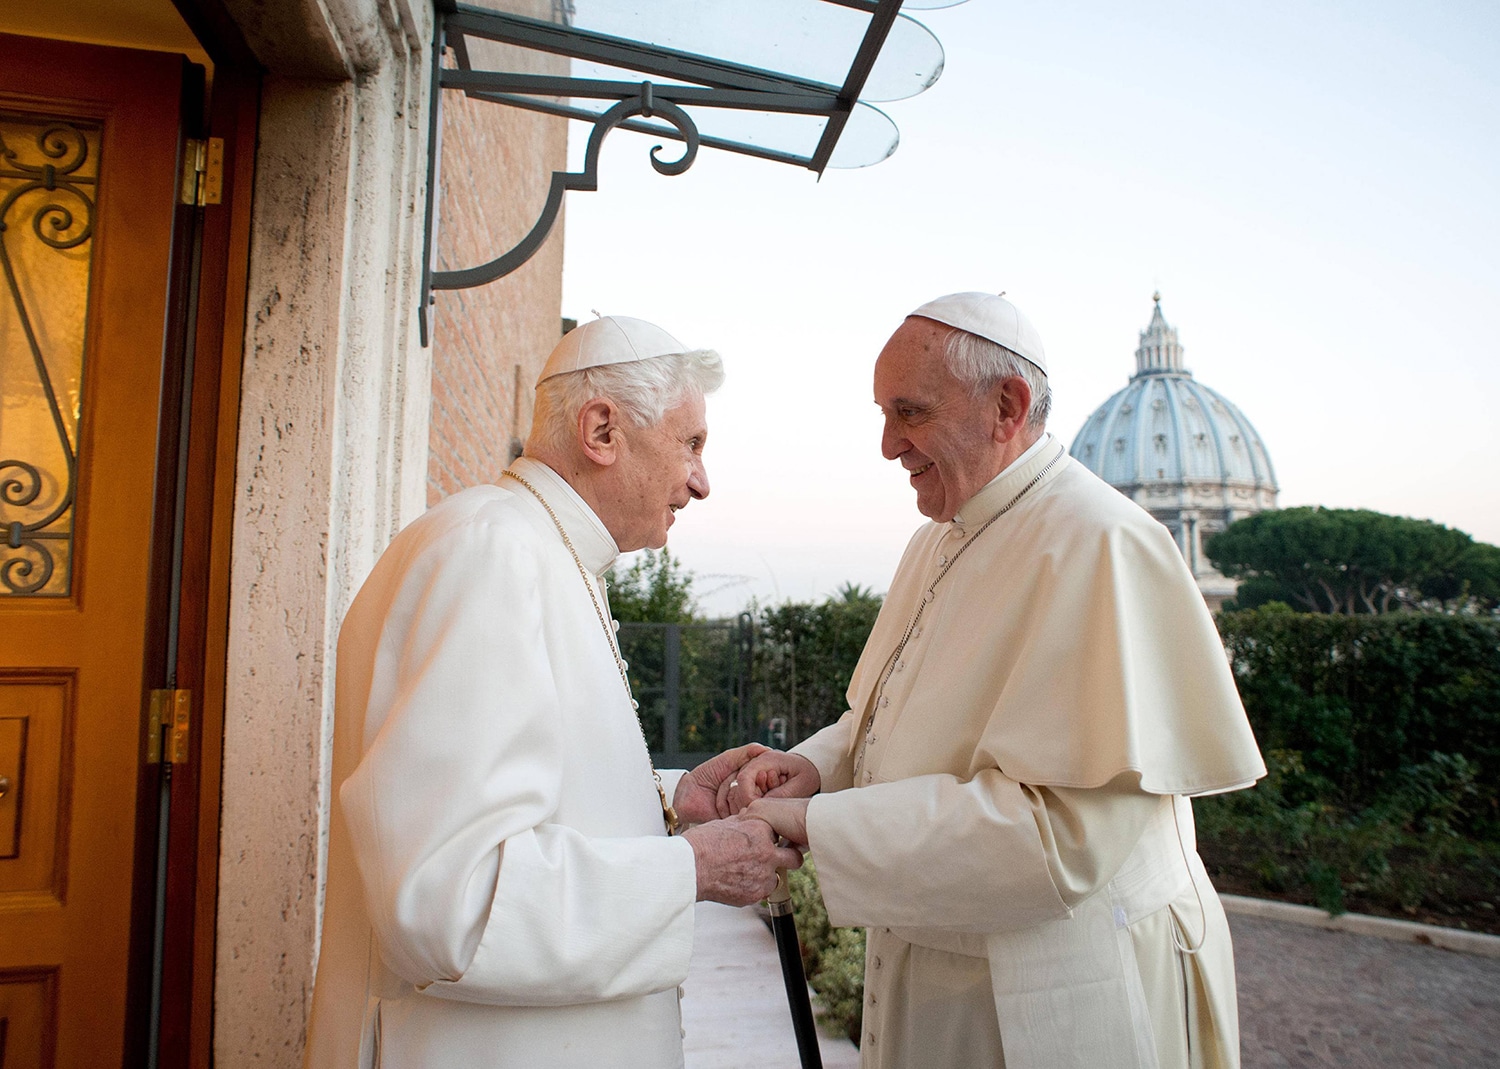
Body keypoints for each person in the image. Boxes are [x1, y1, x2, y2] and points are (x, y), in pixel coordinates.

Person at [721, 293, 1266, 1069]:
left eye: (907, 412)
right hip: (939, 969)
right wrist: (815, 767)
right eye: (883, 414)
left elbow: (1061, 837)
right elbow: (885, 715)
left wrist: (820, 825)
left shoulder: (1101, 543)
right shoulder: (936, 541)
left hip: (1058, 992)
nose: (886, 445)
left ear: (1005, 406)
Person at [302, 315, 802, 1069]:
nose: (701, 481)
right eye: (691, 443)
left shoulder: (539, 551)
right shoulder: (494, 552)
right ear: (602, 429)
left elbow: (529, 809)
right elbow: (449, 901)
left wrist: (667, 816)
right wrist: (692, 867)